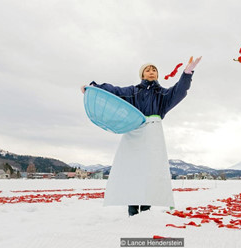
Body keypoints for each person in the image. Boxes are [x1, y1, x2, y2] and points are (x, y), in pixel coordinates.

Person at [81, 56, 201, 216]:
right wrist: (94, 87)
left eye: (154, 70)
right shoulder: (133, 91)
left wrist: (187, 73)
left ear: (157, 75)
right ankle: (132, 210)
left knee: (150, 172)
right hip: (134, 132)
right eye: (147, 70)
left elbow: (180, 90)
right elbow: (115, 91)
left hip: (153, 134)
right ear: (142, 75)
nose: (151, 72)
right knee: (133, 171)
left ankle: (145, 210)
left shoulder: (163, 95)